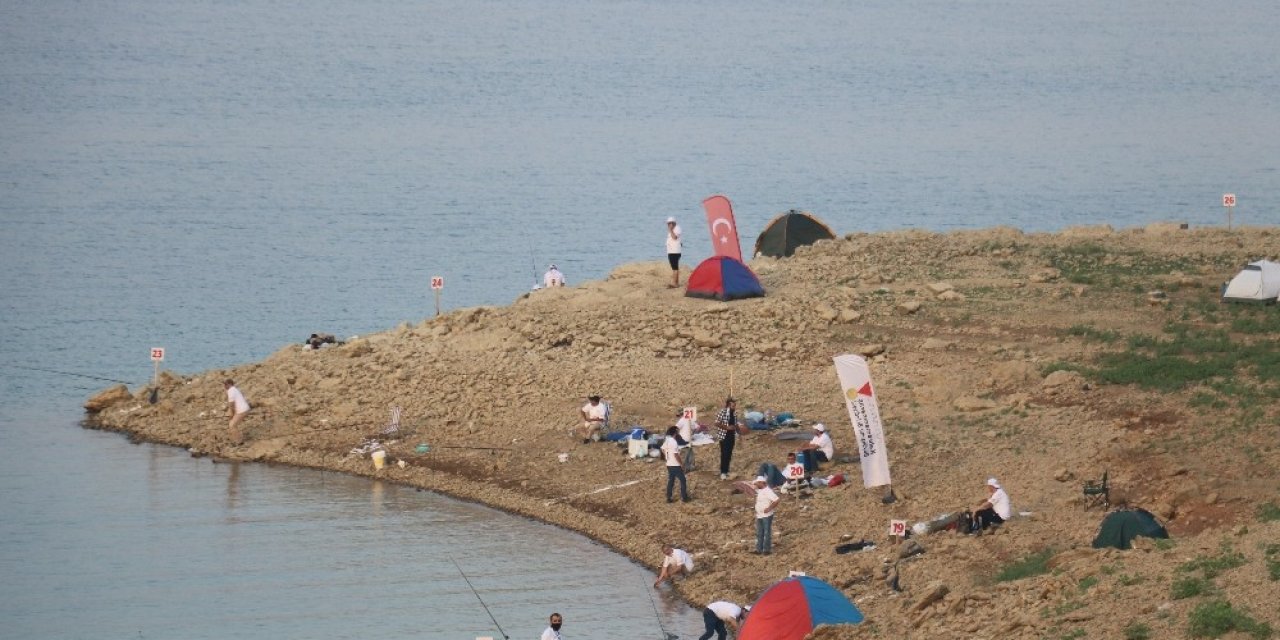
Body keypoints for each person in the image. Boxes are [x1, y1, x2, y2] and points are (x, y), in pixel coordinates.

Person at [714, 397, 744, 480]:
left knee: (729, 454)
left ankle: (726, 471)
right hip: (724, 436)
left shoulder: (734, 414)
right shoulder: (722, 412)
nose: (734, 407)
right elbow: (716, 423)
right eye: (733, 406)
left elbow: (736, 424)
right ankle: (723, 472)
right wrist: (726, 427)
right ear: (728, 405)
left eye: (735, 406)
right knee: (724, 454)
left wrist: (739, 434)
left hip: (731, 436)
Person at [661, 426, 690, 503]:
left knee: (671, 480)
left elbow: (663, 449)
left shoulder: (667, 440)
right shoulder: (674, 442)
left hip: (669, 464)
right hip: (675, 465)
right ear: (675, 433)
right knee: (683, 480)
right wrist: (681, 464)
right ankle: (684, 497)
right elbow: (676, 455)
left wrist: (667, 457)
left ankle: (669, 497)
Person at [753, 475, 779, 555]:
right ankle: (759, 549)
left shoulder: (768, 491)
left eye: (757, 483)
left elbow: (776, 500)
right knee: (760, 532)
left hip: (767, 515)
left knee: (767, 532)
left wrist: (769, 508)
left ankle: (766, 549)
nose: (756, 485)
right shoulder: (760, 491)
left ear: (762, 483)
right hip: (759, 515)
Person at [224, 379, 250, 444]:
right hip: (244, 409)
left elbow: (231, 404)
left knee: (232, 425)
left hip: (242, 410)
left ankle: (239, 441)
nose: (224, 386)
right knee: (233, 424)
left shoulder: (230, 390)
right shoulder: (235, 389)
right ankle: (238, 438)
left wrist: (231, 413)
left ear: (230, 384)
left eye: (225, 384)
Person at [665, 216, 683, 288]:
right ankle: (676, 283)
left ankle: (675, 283)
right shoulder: (673, 229)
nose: (669, 225)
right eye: (668, 223)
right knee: (674, 267)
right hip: (672, 251)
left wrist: (671, 230)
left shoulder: (677, 228)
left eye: (670, 223)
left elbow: (674, 237)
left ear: (674, 223)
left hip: (674, 252)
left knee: (675, 268)